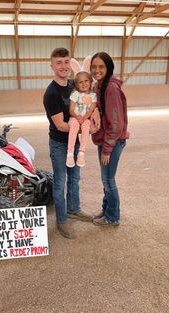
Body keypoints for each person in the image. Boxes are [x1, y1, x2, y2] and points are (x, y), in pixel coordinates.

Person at [43, 47, 100, 239]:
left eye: (66, 62)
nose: (63, 66)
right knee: (60, 181)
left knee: (75, 178)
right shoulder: (51, 93)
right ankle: (61, 219)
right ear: (51, 66)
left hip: (75, 143)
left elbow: (88, 101)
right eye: (58, 63)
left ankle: (74, 209)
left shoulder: (72, 85)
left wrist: (95, 114)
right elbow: (60, 125)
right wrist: (88, 128)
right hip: (60, 144)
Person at [90, 51, 129, 227]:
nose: (97, 70)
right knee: (105, 178)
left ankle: (112, 217)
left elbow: (116, 123)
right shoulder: (99, 85)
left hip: (113, 141)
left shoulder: (111, 88)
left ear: (108, 68)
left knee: (108, 180)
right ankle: (107, 210)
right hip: (105, 139)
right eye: (94, 67)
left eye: (101, 67)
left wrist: (107, 149)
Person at [66, 56, 97, 168]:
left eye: (86, 81)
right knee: (73, 125)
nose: (83, 84)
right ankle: (70, 153)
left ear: (90, 81)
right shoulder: (75, 94)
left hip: (85, 118)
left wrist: (84, 118)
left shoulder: (93, 95)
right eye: (80, 82)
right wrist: (77, 117)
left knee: (86, 126)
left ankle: (81, 153)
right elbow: (71, 109)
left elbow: (91, 108)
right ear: (76, 84)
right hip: (75, 117)